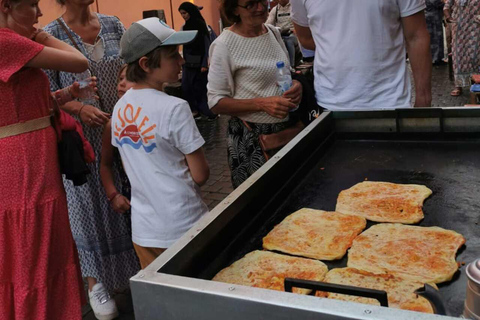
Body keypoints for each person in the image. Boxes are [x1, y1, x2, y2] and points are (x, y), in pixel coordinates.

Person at [43, 1, 140, 319]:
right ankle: (95, 282)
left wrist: (132, 90)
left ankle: (133, 275)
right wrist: (80, 108)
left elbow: (132, 69)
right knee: (86, 208)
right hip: (82, 139)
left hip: (124, 130)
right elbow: (46, 95)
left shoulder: (113, 25)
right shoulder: (51, 34)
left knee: (129, 198)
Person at [0, 0, 89, 318]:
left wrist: (65, 96)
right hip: (25, 157)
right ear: (7, 5)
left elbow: (19, 105)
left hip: (25, 150)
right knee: (37, 240)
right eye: (33, 5)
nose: (39, 14)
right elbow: (79, 60)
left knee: (31, 242)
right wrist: (39, 37)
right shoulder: (7, 41)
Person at [114, 18, 210, 269]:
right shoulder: (175, 108)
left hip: (144, 230)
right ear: (146, 64)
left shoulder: (119, 108)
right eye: (172, 55)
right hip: (184, 225)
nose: (181, 61)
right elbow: (200, 175)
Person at [208, 0, 303, 188]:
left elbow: (284, 73)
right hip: (251, 139)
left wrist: (296, 84)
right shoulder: (224, 45)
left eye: (262, 1)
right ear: (234, 8)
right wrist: (261, 104)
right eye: (251, 4)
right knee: (261, 204)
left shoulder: (273, 33)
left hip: (287, 131)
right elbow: (215, 102)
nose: (260, 8)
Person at [290, 0, 432, 110]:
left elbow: (416, 36)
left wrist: (423, 99)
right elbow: (305, 38)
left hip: (389, 101)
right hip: (329, 102)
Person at [178, 2, 217, 120]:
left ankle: (208, 112)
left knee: (200, 88)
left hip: (200, 64)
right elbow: (185, 47)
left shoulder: (201, 26)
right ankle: (195, 110)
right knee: (187, 86)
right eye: (181, 14)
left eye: (185, 13)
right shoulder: (184, 27)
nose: (183, 16)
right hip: (188, 63)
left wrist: (205, 63)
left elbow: (206, 45)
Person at [444, 0, 480, 96]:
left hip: (476, 27)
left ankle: (477, 82)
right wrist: (448, 17)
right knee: (458, 55)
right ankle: (458, 85)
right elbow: (447, 6)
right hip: (459, 27)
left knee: (475, 55)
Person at [266, 0, 300, 67]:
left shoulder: (294, 7)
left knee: (289, 41)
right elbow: (268, 24)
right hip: (280, 35)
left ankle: (291, 66)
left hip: (294, 35)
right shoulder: (275, 10)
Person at [425, 0, 445, 65]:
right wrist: (446, 3)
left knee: (433, 37)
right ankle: (436, 58)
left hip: (430, 15)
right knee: (436, 37)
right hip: (433, 17)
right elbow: (436, 3)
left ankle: (436, 58)